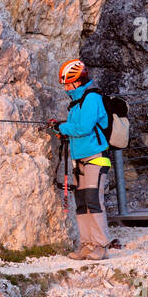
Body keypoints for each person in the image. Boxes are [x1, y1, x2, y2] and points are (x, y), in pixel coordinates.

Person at [49, 59, 112, 260]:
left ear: (79, 81)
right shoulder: (77, 102)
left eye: (69, 83)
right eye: (65, 84)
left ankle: (100, 246)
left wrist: (62, 128)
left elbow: (84, 128)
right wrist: (62, 127)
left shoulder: (92, 98)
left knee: (94, 200)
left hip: (96, 157)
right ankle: (87, 245)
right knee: (83, 202)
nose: (66, 87)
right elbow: (76, 127)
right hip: (80, 158)